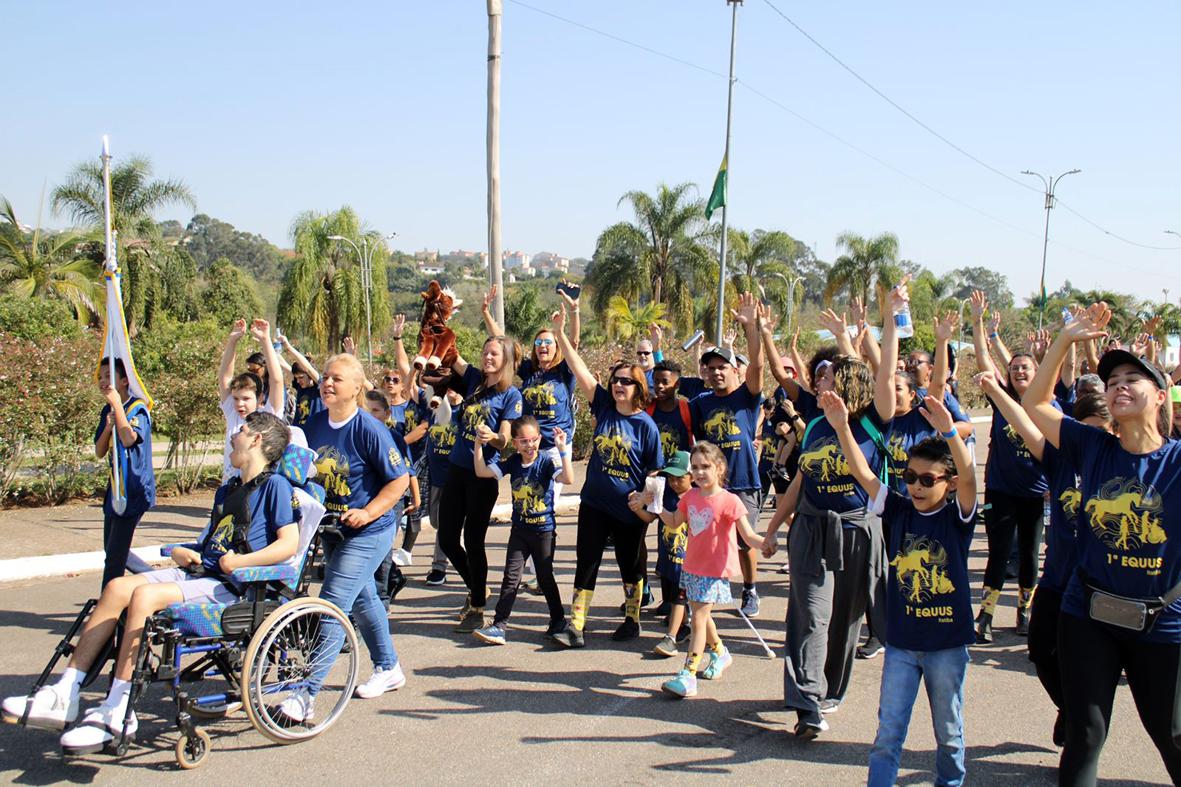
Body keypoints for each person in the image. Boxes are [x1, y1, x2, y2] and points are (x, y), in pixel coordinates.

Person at [3, 412, 299, 751]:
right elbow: (214, 541)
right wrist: (187, 552)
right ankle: (65, 691)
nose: (234, 435)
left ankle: (119, 708)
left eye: (241, 430)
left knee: (144, 597)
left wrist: (240, 562)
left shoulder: (275, 486)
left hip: (234, 585)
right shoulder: (227, 491)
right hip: (201, 571)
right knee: (116, 587)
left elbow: (288, 544)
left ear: (257, 440)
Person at [1023, 304, 1181, 785]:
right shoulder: (1092, 447)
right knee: (1086, 734)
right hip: (1087, 613)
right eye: (1112, 381)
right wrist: (1063, 341)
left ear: (1159, 397)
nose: (1119, 386)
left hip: (1164, 621)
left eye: (1133, 378)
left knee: (1171, 734)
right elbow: (1035, 404)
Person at [817, 386, 977, 786]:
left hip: (946, 646)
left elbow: (971, 475)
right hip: (903, 645)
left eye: (928, 479)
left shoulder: (958, 518)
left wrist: (951, 433)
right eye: (910, 477)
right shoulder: (899, 510)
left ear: (949, 484)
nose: (917, 486)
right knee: (888, 735)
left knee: (949, 734)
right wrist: (841, 428)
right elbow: (862, 473)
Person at [763, 287, 902, 738]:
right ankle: (806, 702)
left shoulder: (873, 419)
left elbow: (884, 375)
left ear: (848, 384)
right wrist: (772, 527)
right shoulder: (816, 425)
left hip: (858, 530)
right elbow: (801, 479)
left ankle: (828, 690)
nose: (820, 382)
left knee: (845, 618)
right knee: (809, 614)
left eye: (829, 377)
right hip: (811, 528)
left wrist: (888, 318)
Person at [983, 374, 1113, 746]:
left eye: (1101, 434)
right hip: (1058, 580)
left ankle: (1081, 727)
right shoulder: (1060, 460)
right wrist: (994, 392)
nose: (1093, 443)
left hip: (1099, 588)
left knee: (1085, 665)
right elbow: (1025, 423)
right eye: (1085, 433)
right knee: (1041, 652)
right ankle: (1068, 708)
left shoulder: (1120, 464)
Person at [548, 307, 663, 648]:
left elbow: (655, 475)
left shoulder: (647, 426)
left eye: (626, 381)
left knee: (631, 564)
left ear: (638, 386)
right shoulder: (604, 407)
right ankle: (577, 625)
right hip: (595, 504)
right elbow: (579, 369)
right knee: (587, 560)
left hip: (628, 510)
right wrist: (560, 334)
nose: (618, 385)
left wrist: (646, 505)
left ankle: (632, 618)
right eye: (615, 380)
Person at [300, 354, 411, 709]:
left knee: (334, 602)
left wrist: (367, 512)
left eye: (337, 379)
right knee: (363, 600)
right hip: (333, 530)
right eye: (325, 378)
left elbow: (400, 481)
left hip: (370, 531)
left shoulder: (370, 428)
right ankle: (389, 667)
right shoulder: (313, 425)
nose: (327, 384)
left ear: (357, 388)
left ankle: (305, 694)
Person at [969, 290, 1052, 643]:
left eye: (1026, 367)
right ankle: (985, 614)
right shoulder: (1002, 398)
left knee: (1030, 556)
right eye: (1015, 367)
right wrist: (977, 323)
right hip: (1001, 492)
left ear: (1037, 372)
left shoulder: (1047, 404)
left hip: (1034, 495)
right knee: (999, 554)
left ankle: (1024, 611)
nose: (1019, 371)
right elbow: (985, 361)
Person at [661, 442, 764, 698]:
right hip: (692, 566)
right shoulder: (690, 497)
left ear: (719, 468)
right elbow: (674, 522)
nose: (699, 472)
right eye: (694, 467)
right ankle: (720, 652)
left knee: (697, 618)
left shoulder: (730, 501)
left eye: (705, 466)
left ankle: (688, 674)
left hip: (713, 569)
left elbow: (749, 536)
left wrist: (768, 543)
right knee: (701, 615)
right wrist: (653, 507)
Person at [437, 335, 524, 633]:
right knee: (447, 538)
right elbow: (451, 352)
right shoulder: (473, 378)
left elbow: (506, 439)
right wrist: (438, 320)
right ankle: (477, 586)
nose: (487, 357)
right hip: (456, 470)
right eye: (485, 351)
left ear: (506, 360)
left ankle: (477, 607)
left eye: (494, 354)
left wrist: (492, 438)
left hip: (482, 476)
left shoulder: (511, 395)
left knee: (473, 541)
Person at [688, 293, 765, 617]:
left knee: (745, 542)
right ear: (706, 372)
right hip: (712, 487)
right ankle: (705, 594)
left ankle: (750, 590)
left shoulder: (747, 397)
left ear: (735, 370)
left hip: (745, 483)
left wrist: (751, 328)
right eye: (712, 368)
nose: (718, 372)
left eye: (724, 367)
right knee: (706, 538)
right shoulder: (699, 404)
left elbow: (759, 365)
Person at [471, 417, 574, 645]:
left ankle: (558, 622)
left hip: (543, 532)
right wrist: (478, 445)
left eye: (534, 440)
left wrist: (562, 449)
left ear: (539, 439)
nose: (530, 446)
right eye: (524, 441)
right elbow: (482, 472)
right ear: (515, 443)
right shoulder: (513, 462)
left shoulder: (546, 461)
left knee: (545, 578)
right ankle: (499, 626)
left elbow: (568, 478)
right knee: (510, 578)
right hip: (519, 531)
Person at [94, 357, 156, 588]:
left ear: (124, 380)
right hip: (115, 489)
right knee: (113, 549)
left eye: (109, 376)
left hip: (134, 489)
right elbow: (100, 451)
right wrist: (108, 426)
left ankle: (107, 609)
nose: (103, 381)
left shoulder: (137, 408)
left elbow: (129, 438)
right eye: (101, 377)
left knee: (114, 559)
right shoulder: (107, 411)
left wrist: (118, 409)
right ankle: (156, 579)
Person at [627, 451, 694, 657]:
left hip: (687, 562)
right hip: (667, 559)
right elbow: (650, 517)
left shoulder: (696, 498)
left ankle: (672, 637)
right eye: (670, 478)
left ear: (691, 476)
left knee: (678, 599)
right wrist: (637, 506)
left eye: (680, 478)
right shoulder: (665, 494)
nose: (674, 483)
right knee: (672, 596)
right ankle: (686, 626)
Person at [217, 319, 285, 480]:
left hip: (257, 489)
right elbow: (224, 377)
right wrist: (233, 340)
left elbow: (277, 381)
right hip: (229, 490)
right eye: (236, 398)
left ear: (260, 397)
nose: (239, 403)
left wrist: (265, 340)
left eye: (246, 398)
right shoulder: (232, 414)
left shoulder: (267, 418)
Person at [422, 388, 464, 587]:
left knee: (445, 526)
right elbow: (409, 382)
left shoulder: (466, 411)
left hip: (455, 479)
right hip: (434, 478)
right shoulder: (436, 408)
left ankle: (439, 567)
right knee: (436, 522)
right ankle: (454, 545)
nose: (452, 392)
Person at [279, 333, 323, 428]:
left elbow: (308, 368)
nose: (298, 381)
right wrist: (266, 344)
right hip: (299, 432)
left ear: (310, 376)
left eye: (301, 377)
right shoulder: (300, 386)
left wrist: (288, 347)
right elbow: (282, 363)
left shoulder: (320, 386)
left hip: (315, 431)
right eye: (296, 377)